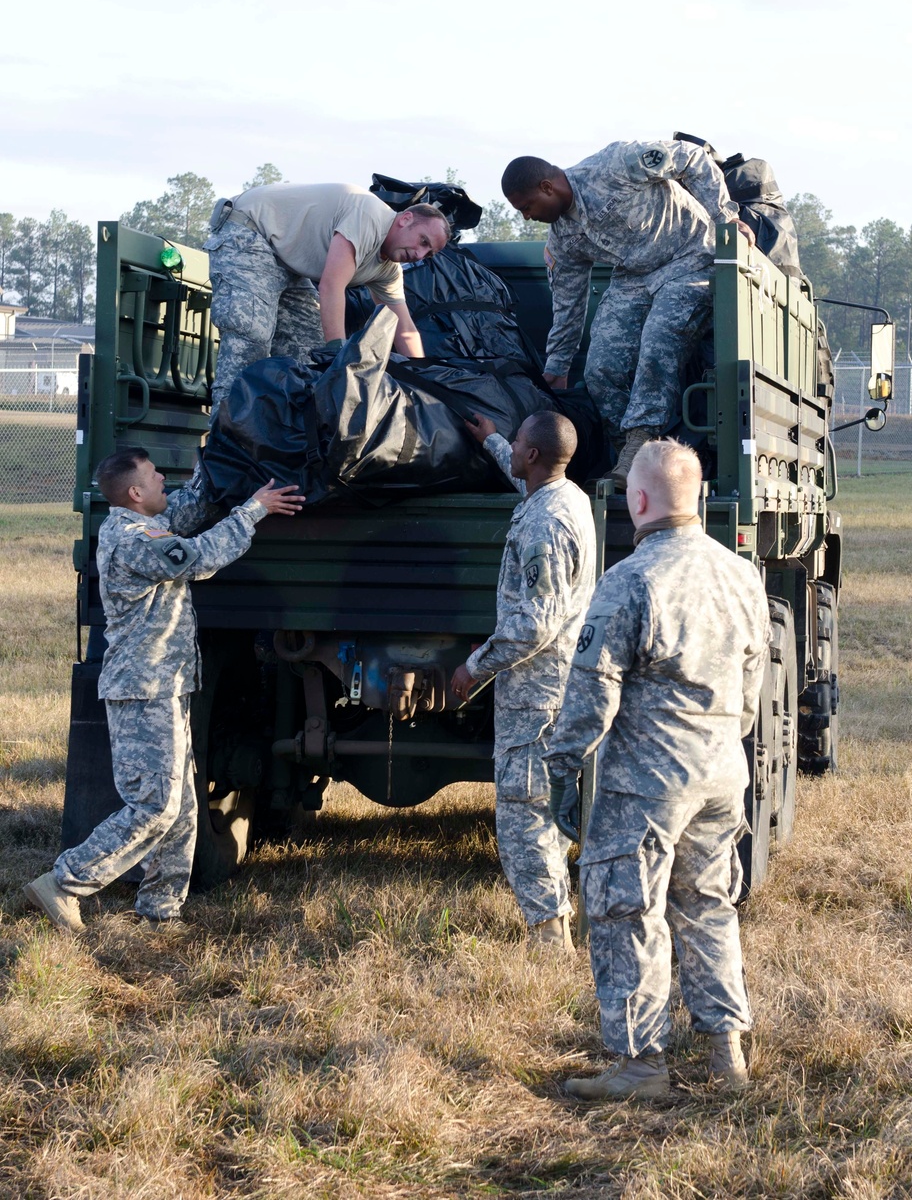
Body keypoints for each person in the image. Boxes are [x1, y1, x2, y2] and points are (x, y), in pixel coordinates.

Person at [545, 438, 771, 1099]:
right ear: (698, 497)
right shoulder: (742, 575)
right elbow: (752, 687)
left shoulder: (630, 583)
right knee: (708, 906)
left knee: (627, 910)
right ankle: (726, 1052)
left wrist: (561, 770)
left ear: (637, 501)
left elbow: (590, 698)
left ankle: (640, 1064)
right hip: (722, 772)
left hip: (646, 784)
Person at [24, 448, 304, 932]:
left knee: (182, 808)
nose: (163, 483)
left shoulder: (144, 523)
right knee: (154, 806)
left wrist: (215, 459)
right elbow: (199, 557)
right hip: (143, 690)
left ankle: (160, 911)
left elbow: (184, 510)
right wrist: (254, 509)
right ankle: (64, 881)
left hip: (166, 685)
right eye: (155, 478)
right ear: (135, 493)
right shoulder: (134, 539)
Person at [500, 142, 753, 486]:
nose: (526, 216)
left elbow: (691, 157)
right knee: (600, 365)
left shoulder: (615, 165)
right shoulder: (563, 239)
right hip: (634, 276)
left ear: (548, 187)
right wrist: (557, 367)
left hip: (690, 254)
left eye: (527, 206)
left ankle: (639, 442)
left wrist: (726, 219)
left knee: (659, 338)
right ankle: (633, 455)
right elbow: (568, 303)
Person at [451, 410, 596, 953]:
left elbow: (535, 621)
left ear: (533, 455)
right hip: (557, 682)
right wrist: (490, 440)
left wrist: (475, 666)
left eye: (515, 443)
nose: (511, 447)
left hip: (537, 692)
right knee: (547, 806)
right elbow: (522, 479)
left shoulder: (543, 525)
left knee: (524, 812)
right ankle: (554, 918)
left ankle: (548, 937)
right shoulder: (567, 498)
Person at [203, 183, 451, 416]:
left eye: (428, 253)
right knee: (251, 340)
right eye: (422, 241)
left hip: (287, 262)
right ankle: (219, 451)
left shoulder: (388, 269)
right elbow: (331, 286)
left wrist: (424, 383)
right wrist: (338, 357)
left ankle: (274, 445)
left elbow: (405, 330)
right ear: (406, 219)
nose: (419, 254)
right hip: (249, 230)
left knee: (310, 355)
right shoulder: (370, 215)